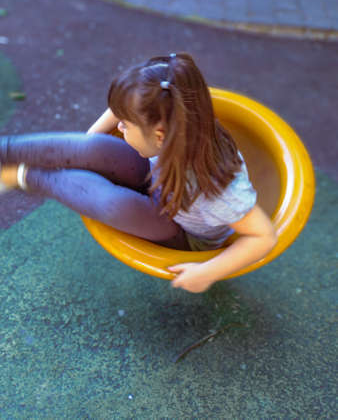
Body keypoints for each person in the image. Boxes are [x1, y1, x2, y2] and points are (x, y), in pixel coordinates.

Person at [0, 52, 277, 293]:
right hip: (157, 179)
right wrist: (88, 146)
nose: (119, 127)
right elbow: (125, 108)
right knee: (95, 147)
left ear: (159, 135)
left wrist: (208, 272)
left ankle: (23, 176)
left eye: (125, 124)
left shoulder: (217, 190)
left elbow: (263, 236)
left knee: (116, 206)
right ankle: (5, 150)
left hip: (179, 231)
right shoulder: (175, 118)